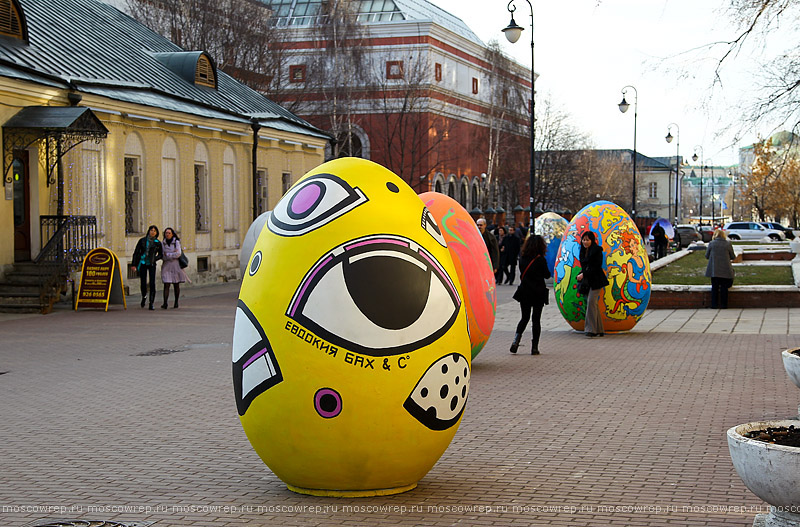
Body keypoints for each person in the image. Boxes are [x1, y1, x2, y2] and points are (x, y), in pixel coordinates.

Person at [510, 235, 550, 355]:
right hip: (538, 292)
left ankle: (516, 341)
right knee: (536, 320)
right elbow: (547, 275)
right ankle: (534, 347)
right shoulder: (540, 259)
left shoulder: (522, 258)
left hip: (525, 291)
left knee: (524, 318)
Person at [576, 231, 609, 338]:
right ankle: (599, 329)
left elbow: (595, 267)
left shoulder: (597, 251)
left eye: (587, 240)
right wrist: (582, 273)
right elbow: (585, 266)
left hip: (596, 280)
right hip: (587, 281)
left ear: (592, 240)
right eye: (584, 240)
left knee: (591, 302)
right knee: (593, 305)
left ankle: (590, 329)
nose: (585, 242)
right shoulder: (582, 251)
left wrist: (583, 274)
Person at [131, 225, 162, 310]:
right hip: (143, 263)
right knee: (143, 282)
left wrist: (155, 258)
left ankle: (151, 302)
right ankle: (144, 296)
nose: (152, 232)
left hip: (151, 264)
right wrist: (134, 264)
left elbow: (161, 254)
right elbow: (136, 252)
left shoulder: (157, 243)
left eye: (154, 231)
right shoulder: (142, 241)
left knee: (152, 283)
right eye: (151, 230)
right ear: (148, 231)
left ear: (156, 233)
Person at [705, 229, 735, 309]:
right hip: (726, 269)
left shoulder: (711, 243)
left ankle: (714, 305)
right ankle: (724, 305)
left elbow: (707, 256)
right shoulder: (728, 244)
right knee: (724, 288)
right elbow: (733, 256)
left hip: (714, 270)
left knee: (714, 288)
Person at [160, 227, 188, 309]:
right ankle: (165, 303)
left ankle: (176, 302)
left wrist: (168, 255)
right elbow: (162, 255)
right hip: (166, 265)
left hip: (176, 265)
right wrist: (172, 254)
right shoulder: (163, 243)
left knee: (176, 284)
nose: (167, 234)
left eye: (169, 233)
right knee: (166, 283)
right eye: (166, 233)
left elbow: (178, 254)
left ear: (172, 234)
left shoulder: (176, 242)